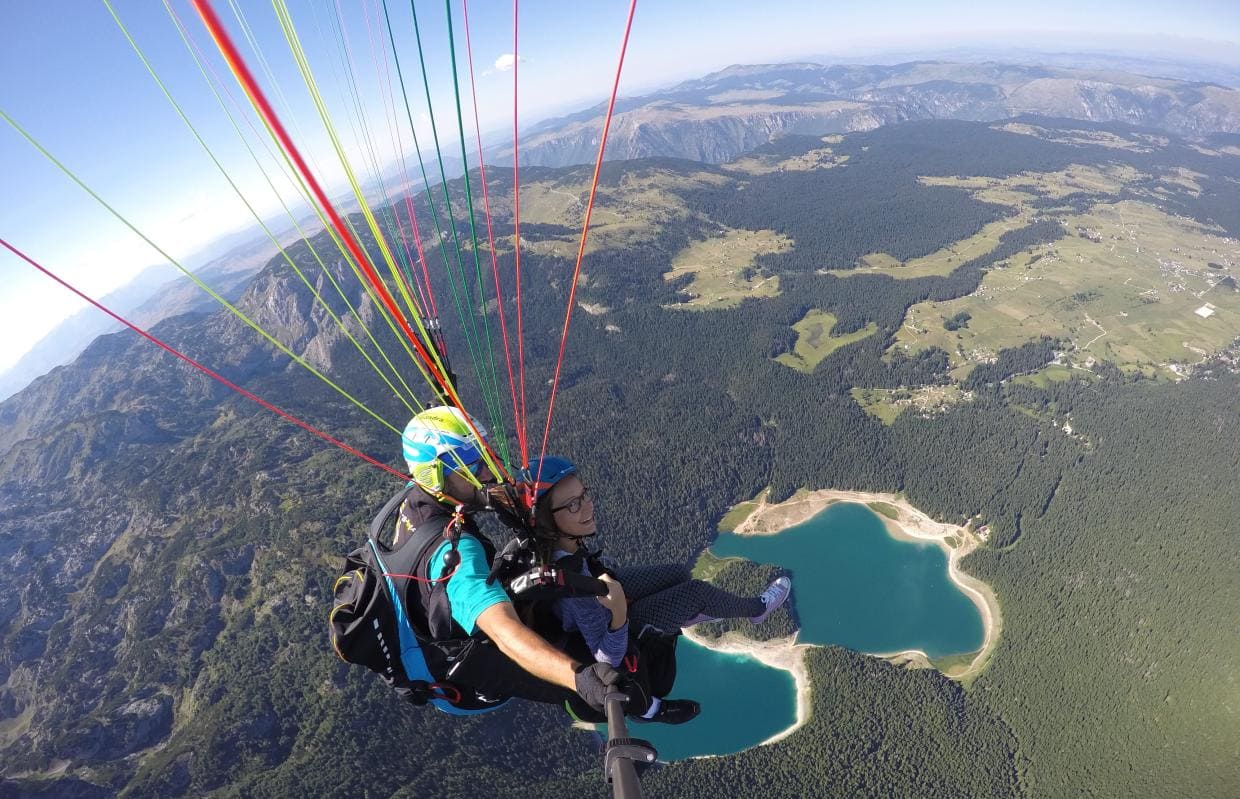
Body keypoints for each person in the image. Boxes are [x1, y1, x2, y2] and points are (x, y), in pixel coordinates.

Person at [394, 406, 633, 720]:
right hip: (466, 677)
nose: (488, 472)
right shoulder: (458, 556)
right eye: (473, 466)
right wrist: (576, 677)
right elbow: (504, 631)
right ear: (437, 478)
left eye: (485, 455)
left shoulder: (419, 497)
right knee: (596, 690)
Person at [529, 456, 793, 723]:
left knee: (678, 573)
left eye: (584, 494)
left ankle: (691, 612)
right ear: (548, 521)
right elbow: (607, 657)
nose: (588, 506)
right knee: (695, 592)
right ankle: (757, 609)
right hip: (618, 628)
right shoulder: (575, 585)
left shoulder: (553, 547)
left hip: (604, 595)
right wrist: (619, 614)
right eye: (574, 505)